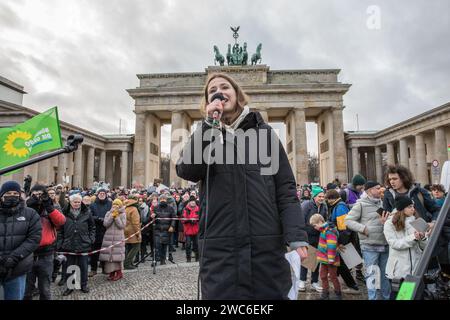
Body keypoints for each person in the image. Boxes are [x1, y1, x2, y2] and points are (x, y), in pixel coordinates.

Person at [176, 73, 308, 299]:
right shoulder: (206, 135)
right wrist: (208, 126)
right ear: (207, 102)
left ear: (237, 94)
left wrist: (296, 234)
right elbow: (187, 170)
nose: (219, 91)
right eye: (212, 90)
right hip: (221, 251)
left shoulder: (265, 134)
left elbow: (285, 189)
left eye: (225, 86)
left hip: (265, 248)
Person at [345, 181, 391, 300]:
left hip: (385, 244)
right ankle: (374, 298)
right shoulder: (360, 204)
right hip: (369, 246)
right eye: (377, 188)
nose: (380, 190)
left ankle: (386, 297)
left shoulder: (383, 203)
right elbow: (348, 221)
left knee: (385, 275)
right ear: (369, 190)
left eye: (380, 188)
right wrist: (363, 228)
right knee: (372, 275)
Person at [0, 181, 42, 300]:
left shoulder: (30, 214)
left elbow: (34, 239)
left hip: (17, 268)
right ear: (2, 195)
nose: (12, 195)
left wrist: (13, 258)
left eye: (15, 193)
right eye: (8, 193)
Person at [23, 184, 66, 300]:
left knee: (45, 289)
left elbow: (61, 221)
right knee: (26, 290)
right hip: (28, 254)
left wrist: (49, 208)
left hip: (46, 254)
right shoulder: (24, 209)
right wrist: (30, 208)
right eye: (35, 195)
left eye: (41, 195)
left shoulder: (50, 207)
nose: (38, 198)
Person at [383, 196, 427, 299]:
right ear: (402, 208)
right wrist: (413, 238)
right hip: (399, 270)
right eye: (410, 206)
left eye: (413, 206)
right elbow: (395, 244)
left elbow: (424, 247)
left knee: (413, 296)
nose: (413, 209)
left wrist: (423, 238)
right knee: (401, 297)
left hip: (415, 269)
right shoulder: (389, 224)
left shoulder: (417, 221)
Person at [60, 194, 95, 296]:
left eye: (78, 202)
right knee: (70, 266)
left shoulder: (87, 212)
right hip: (69, 243)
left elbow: (92, 227)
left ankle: (83, 285)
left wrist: (91, 239)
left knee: (83, 266)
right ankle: (70, 286)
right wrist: (61, 241)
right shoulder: (64, 212)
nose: (77, 204)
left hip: (83, 243)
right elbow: (60, 229)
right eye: (75, 202)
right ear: (70, 202)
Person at [325, 189, 360, 294]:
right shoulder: (338, 205)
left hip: (343, 239)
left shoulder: (340, 207)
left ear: (332, 198)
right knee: (341, 263)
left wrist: (340, 242)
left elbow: (344, 227)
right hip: (342, 238)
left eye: (328, 199)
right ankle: (347, 283)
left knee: (342, 264)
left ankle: (353, 286)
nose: (327, 201)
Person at [299, 186, 326, 293]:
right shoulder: (306, 205)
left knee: (316, 259)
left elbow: (325, 219)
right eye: (319, 196)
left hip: (319, 237)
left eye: (323, 196)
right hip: (307, 236)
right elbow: (301, 220)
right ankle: (302, 281)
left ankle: (314, 282)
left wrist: (323, 227)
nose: (321, 198)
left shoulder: (324, 207)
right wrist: (312, 228)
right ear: (314, 197)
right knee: (305, 258)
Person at [310, 214, 341, 300]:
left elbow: (331, 245)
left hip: (331, 259)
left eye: (314, 225)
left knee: (333, 276)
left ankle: (338, 293)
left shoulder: (329, 231)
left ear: (320, 222)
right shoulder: (323, 230)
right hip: (324, 259)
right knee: (323, 276)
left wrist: (331, 259)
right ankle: (325, 293)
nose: (314, 227)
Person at [100, 199, 126, 281]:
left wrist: (117, 217)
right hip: (109, 236)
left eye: (117, 204)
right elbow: (105, 224)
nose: (115, 206)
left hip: (118, 237)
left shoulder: (123, 214)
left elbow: (122, 225)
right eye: (114, 204)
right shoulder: (108, 213)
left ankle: (118, 272)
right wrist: (112, 216)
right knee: (109, 255)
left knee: (117, 255)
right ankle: (111, 272)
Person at [89, 188, 112, 277]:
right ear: (97, 194)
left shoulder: (110, 204)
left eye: (103, 193)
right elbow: (90, 216)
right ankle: (93, 269)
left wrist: (106, 220)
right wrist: (99, 219)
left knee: (105, 251)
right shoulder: (93, 205)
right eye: (100, 193)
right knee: (94, 251)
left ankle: (104, 268)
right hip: (96, 230)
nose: (102, 194)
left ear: (106, 194)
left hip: (106, 230)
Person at [153, 194, 176, 265]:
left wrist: (172, 226)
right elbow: (153, 218)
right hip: (158, 229)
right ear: (159, 200)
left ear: (166, 200)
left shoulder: (170, 208)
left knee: (164, 245)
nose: (163, 200)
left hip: (166, 230)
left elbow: (173, 218)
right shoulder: (156, 207)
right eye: (161, 199)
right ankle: (156, 260)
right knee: (157, 245)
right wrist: (152, 216)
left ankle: (163, 260)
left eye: (164, 199)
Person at [124, 195, 141, 270]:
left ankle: (129, 263)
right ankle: (127, 263)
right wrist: (138, 234)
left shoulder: (126, 207)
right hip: (133, 231)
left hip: (126, 230)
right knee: (136, 246)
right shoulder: (134, 209)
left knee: (129, 247)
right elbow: (135, 223)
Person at [182, 196, 200, 262]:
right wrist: (188, 220)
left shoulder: (198, 209)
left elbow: (200, 217)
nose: (193, 202)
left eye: (194, 201)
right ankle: (188, 258)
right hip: (188, 230)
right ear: (189, 202)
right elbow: (183, 218)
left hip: (196, 230)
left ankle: (197, 258)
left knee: (197, 245)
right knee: (188, 245)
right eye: (191, 201)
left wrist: (195, 220)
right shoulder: (185, 209)